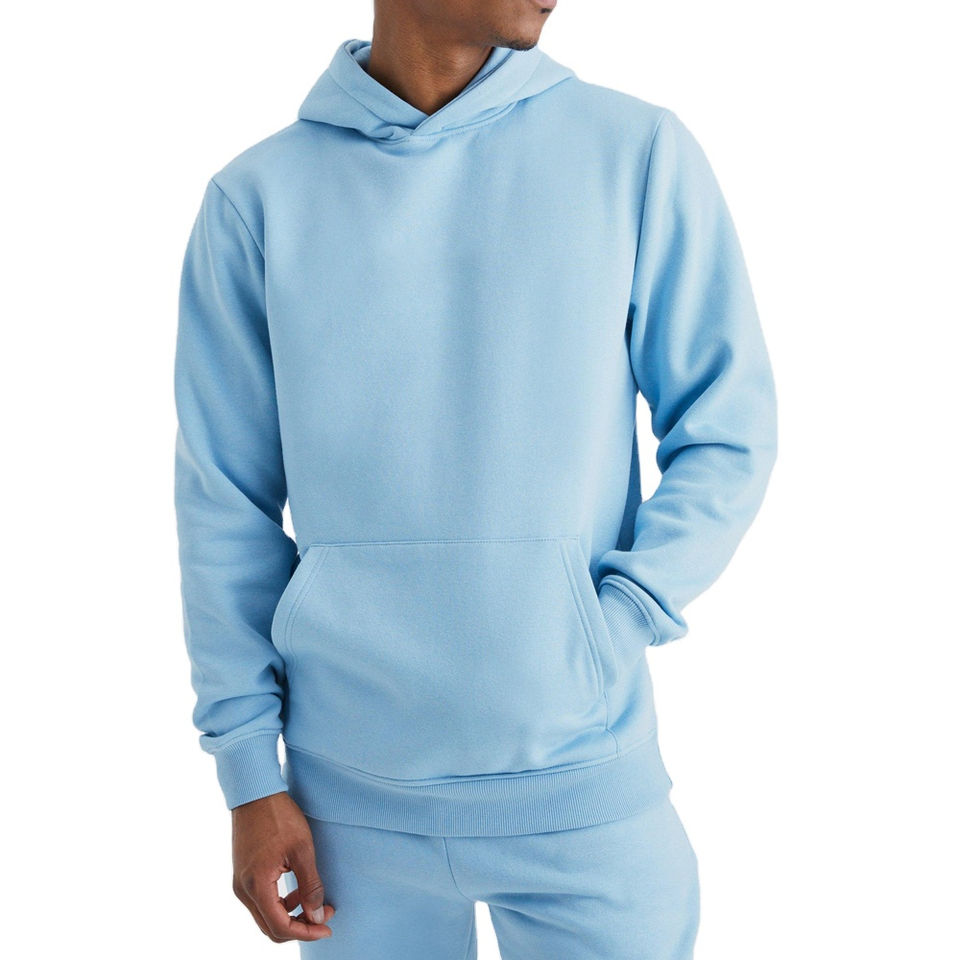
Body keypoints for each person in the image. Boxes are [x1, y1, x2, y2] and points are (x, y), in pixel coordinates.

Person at [173, 1, 778, 957]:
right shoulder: (259, 200)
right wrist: (249, 773)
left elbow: (727, 425)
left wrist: (615, 621)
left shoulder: (634, 153)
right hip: (343, 820)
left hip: (583, 791)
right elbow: (225, 503)